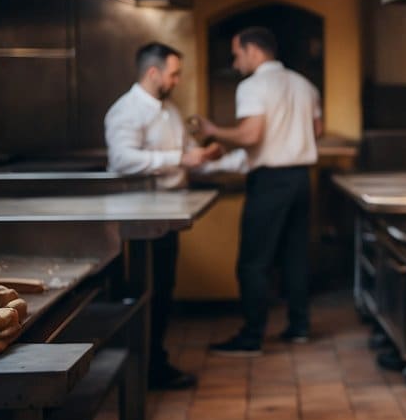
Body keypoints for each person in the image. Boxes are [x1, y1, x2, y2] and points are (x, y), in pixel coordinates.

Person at [195, 26, 322, 356]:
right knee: (295, 256)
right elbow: (317, 130)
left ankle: (251, 337)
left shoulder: (252, 86)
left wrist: (214, 131)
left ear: (253, 51)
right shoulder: (303, 84)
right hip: (300, 179)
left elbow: (251, 135)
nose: (236, 62)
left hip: (270, 182)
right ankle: (299, 327)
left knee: (253, 262)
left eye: (237, 54)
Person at [104, 41, 224, 390]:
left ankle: (154, 362)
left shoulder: (169, 109)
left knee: (163, 288)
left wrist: (205, 157)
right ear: (153, 72)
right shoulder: (125, 111)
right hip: (137, 216)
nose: (178, 81)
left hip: (168, 213)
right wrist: (179, 159)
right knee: (144, 292)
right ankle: (141, 368)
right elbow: (123, 159)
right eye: (174, 74)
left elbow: (185, 155)